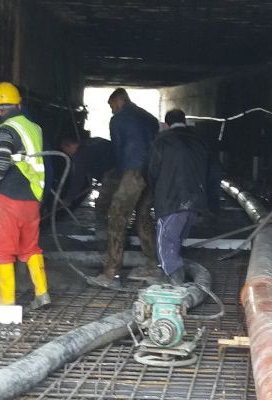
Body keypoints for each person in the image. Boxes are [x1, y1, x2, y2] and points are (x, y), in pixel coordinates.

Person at [0, 82, 50, 309]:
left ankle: (6, 300)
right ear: (19, 104)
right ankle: (42, 293)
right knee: (30, 248)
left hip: (9, 197)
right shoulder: (33, 127)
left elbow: (1, 163)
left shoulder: (6, 129)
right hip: (32, 197)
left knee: (1, 248)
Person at [88, 88, 160, 288]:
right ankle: (154, 265)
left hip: (132, 173)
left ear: (118, 101)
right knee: (144, 218)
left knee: (117, 218)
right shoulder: (149, 117)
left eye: (112, 106)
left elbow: (118, 150)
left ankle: (110, 273)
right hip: (151, 173)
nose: (112, 110)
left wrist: (119, 178)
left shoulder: (119, 119)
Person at [148, 109, 207, 284]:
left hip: (170, 201)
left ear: (166, 125)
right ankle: (176, 279)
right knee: (177, 240)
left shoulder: (162, 141)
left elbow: (152, 171)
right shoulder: (199, 141)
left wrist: (155, 192)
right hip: (195, 201)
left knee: (165, 243)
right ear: (185, 121)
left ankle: (176, 286)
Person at [60, 135, 116, 239]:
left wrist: (69, 199)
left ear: (69, 146)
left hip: (113, 173)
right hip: (123, 167)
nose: (68, 155)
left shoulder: (80, 155)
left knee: (101, 204)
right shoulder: (93, 142)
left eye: (66, 151)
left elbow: (77, 179)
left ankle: (103, 235)